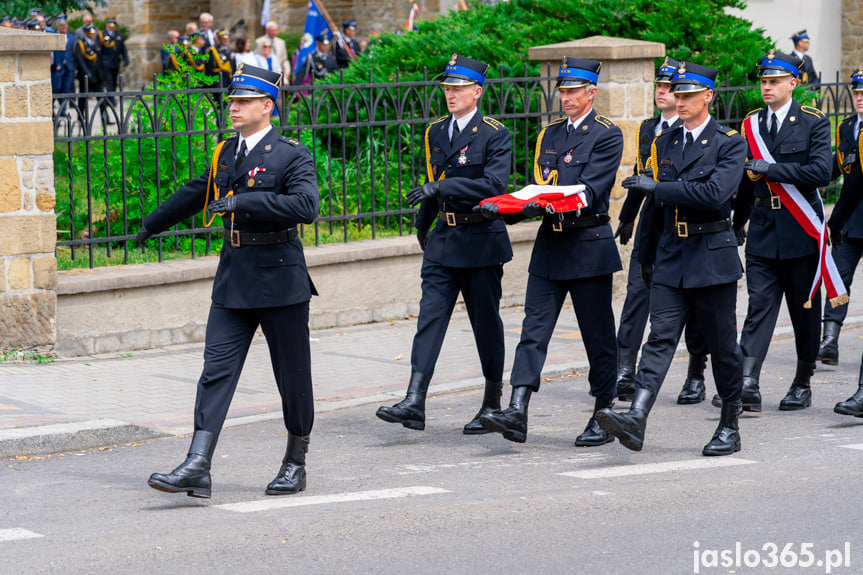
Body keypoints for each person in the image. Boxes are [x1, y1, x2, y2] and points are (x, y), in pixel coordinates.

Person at [138, 64, 320, 498]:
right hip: (234, 279)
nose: (233, 108)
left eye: (242, 102)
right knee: (215, 372)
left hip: (280, 279)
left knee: (292, 377)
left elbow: (306, 205)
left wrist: (247, 200)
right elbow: (196, 191)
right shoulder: (225, 152)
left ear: (267, 106)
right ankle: (198, 463)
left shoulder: (292, 154)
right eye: (232, 101)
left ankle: (296, 462)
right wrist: (152, 224)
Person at [596, 62, 747, 456]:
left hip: (711, 258)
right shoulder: (666, 141)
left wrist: (661, 187)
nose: (679, 101)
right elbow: (654, 211)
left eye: (687, 95)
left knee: (722, 346)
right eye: (676, 94)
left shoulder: (729, 142)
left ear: (708, 97)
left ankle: (729, 424)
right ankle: (637, 416)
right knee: (660, 337)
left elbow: (715, 194)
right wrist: (645, 255)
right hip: (670, 256)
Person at [478, 57, 623, 446]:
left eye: (574, 91)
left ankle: (603, 411)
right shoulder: (549, 135)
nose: (566, 97)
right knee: (533, 330)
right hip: (551, 245)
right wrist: (511, 209)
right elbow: (539, 188)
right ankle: (517, 408)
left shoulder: (607, 135)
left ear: (592, 92)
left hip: (588, 244)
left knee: (598, 336)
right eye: (562, 90)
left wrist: (543, 203)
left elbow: (590, 190)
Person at [375, 54, 513, 434]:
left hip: (481, 240)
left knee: (486, 323)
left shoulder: (494, 133)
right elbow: (431, 181)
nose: (450, 94)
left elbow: (493, 187)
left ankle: (491, 402)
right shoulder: (437, 131)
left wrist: (443, 187)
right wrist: (423, 223)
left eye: (457, 88)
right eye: (447, 88)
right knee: (429, 318)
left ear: (476, 92)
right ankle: (415, 401)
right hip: (444, 239)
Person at [730, 50, 836, 413]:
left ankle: (802, 382)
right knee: (758, 306)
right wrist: (736, 222)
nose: (767, 87)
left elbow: (822, 173)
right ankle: (747, 382)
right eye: (763, 81)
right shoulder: (751, 124)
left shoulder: (813, 122)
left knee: (803, 311)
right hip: (762, 228)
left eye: (774, 81)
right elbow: (746, 180)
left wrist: (772, 169)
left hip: (801, 231)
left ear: (793, 83)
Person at [615, 58, 710, 406]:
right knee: (637, 293)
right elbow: (641, 181)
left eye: (669, 88)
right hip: (651, 224)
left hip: (687, 227)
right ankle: (625, 370)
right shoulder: (647, 128)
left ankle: (696, 373)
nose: (663, 92)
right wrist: (627, 218)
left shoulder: (700, 135)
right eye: (659, 86)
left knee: (695, 306)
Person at [817, 68, 863, 366]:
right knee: (837, 280)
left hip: (847, 213)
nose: (860, 98)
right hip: (850, 220)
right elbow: (837, 167)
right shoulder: (847, 127)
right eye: (857, 92)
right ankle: (829, 340)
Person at [99, 17, 128, 116]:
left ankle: (112, 96)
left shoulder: (118, 36)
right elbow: (100, 49)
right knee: (109, 81)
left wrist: (125, 59)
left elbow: (123, 49)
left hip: (115, 62)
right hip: (106, 62)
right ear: (107, 25)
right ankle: (111, 99)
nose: (113, 27)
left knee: (114, 80)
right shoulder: (103, 35)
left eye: (114, 26)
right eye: (111, 25)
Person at [73, 24, 102, 116]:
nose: (94, 34)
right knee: (82, 99)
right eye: (91, 32)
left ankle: (105, 118)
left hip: (96, 75)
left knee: (102, 99)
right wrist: (87, 73)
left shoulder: (96, 43)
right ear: (86, 33)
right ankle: (80, 118)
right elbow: (80, 60)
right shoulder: (80, 44)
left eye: (94, 32)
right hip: (85, 75)